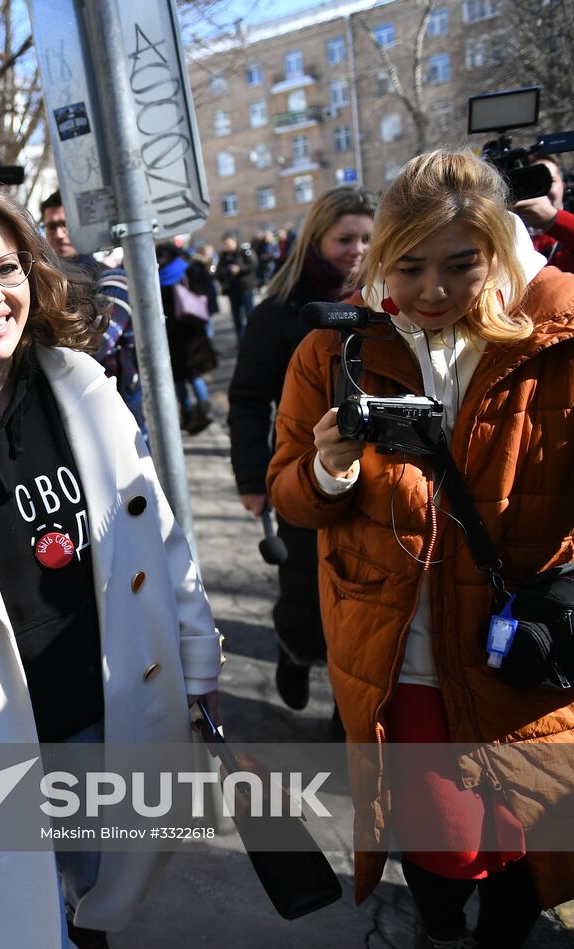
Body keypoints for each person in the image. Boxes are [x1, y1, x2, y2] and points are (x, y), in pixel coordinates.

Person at [0, 183, 222, 948]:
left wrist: (196, 668)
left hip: (101, 715)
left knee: (101, 905)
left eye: (8, 267)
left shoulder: (82, 385)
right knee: (13, 926)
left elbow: (156, 532)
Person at [268, 151, 574, 948]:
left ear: (498, 253)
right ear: (378, 261)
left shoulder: (558, 337)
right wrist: (329, 466)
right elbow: (290, 495)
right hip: (400, 654)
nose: (433, 290)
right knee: (443, 838)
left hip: (528, 647)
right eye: (409, 266)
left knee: (530, 836)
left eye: (460, 264)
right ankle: (438, 929)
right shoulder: (334, 353)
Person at [227, 186, 375, 714]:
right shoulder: (278, 313)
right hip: (301, 472)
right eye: (344, 239)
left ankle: (347, 705)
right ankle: (295, 649)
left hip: (375, 476)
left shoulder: (390, 303)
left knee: (363, 600)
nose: (357, 249)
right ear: (317, 239)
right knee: (306, 595)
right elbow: (247, 399)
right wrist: (251, 478)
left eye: (366, 238)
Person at [40, 191, 144, 431]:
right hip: (68, 412)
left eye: (66, 225)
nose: (58, 233)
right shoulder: (43, 283)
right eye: (51, 226)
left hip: (119, 408)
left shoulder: (111, 280)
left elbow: (94, 345)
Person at [157, 242, 217, 434]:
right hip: (192, 330)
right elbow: (203, 295)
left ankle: (188, 415)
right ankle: (205, 408)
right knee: (195, 374)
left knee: (178, 379)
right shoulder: (188, 270)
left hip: (170, 335)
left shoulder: (154, 278)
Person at [513, 155, 574, 274]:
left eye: (549, 181)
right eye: (533, 183)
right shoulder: (511, 232)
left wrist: (553, 219)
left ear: (564, 184)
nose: (542, 190)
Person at [216, 232, 257, 339]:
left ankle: (254, 337)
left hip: (245, 288)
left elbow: (254, 264)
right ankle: (241, 340)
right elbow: (218, 272)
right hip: (232, 290)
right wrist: (226, 271)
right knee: (237, 317)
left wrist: (240, 268)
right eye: (224, 244)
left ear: (234, 241)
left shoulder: (244, 251)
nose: (226, 246)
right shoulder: (223, 256)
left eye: (227, 243)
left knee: (250, 314)